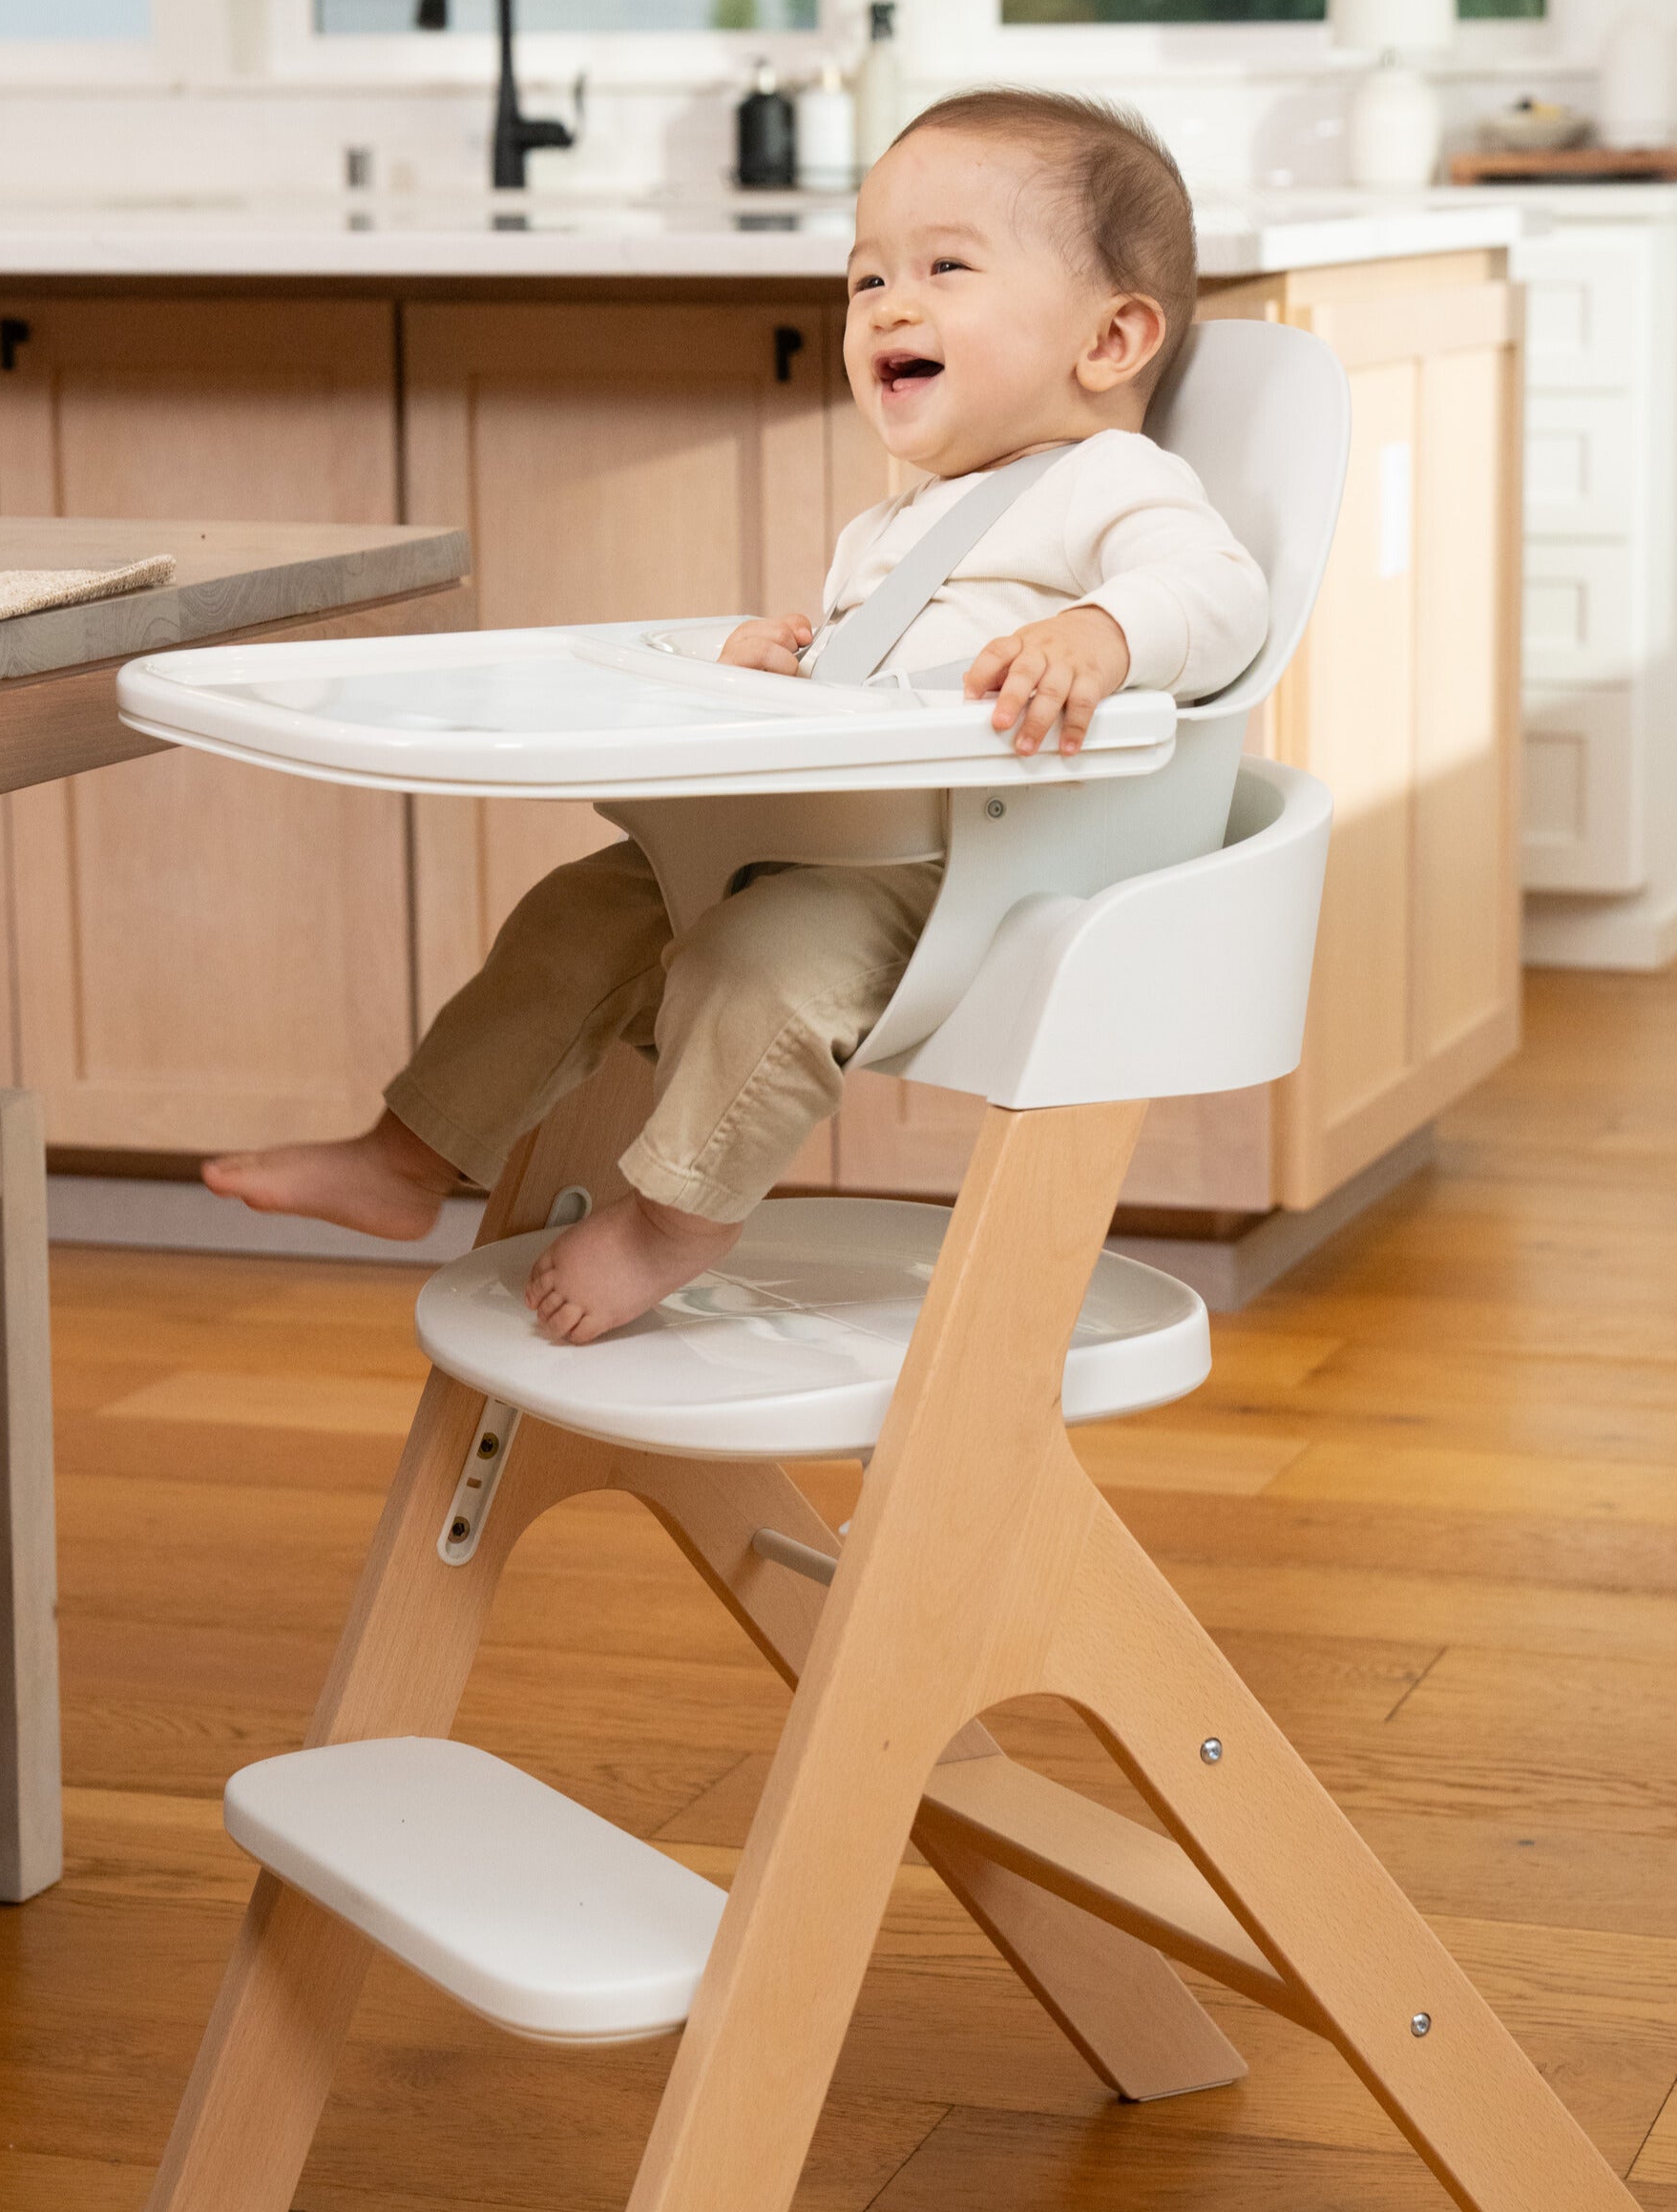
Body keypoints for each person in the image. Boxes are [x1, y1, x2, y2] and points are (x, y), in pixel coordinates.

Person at [202, 88, 1268, 1342]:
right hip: (814, 828)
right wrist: (776, 665)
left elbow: (1222, 594)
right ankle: (408, 1152)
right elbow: (876, 688)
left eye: (944, 268)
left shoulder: (1113, 481)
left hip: (958, 869)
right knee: (581, 912)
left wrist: (1103, 634)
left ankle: (676, 1221)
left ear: (1111, 339)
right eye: (866, 278)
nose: (890, 305)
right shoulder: (891, 524)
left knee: (754, 968)